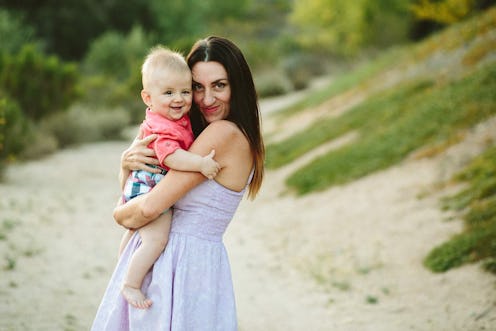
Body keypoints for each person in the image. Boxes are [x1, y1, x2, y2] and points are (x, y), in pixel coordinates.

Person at [91, 36, 264, 330]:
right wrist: (125, 164)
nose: (207, 99)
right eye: (198, 87)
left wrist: (119, 214)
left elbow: (147, 209)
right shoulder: (194, 133)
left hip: (181, 266)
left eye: (219, 85)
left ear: (239, 86)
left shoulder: (223, 134)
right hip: (188, 265)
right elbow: (139, 185)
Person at [119, 46, 220, 309]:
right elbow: (171, 158)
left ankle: (123, 267)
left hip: (145, 185)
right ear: (147, 98)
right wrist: (200, 163)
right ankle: (130, 283)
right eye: (169, 93)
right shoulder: (162, 128)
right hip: (148, 187)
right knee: (156, 239)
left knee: (136, 234)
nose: (179, 99)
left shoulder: (171, 118)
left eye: (185, 91)